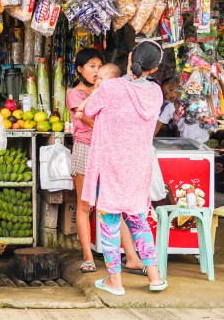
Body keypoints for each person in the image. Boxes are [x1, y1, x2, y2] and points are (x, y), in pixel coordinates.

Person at [79, 41, 167, 295]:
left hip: (112, 163)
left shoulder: (112, 88)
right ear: (153, 69)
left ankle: (114, 282)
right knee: (139, 220)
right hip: (138, 164)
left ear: (130, 59)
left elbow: (91, 110)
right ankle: (154, 277)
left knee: (109, 222)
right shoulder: (155, 93)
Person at [67, 50, 146, 275]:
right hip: (86, 149)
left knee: (114, 203)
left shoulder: (110, 91)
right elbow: (92, 120)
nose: (95, 71)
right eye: (91, 66)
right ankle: (88, 257)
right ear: (80, 69)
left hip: (108, 151)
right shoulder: (76, 94)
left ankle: (131, 257)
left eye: (99, 66)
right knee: (84, 205)